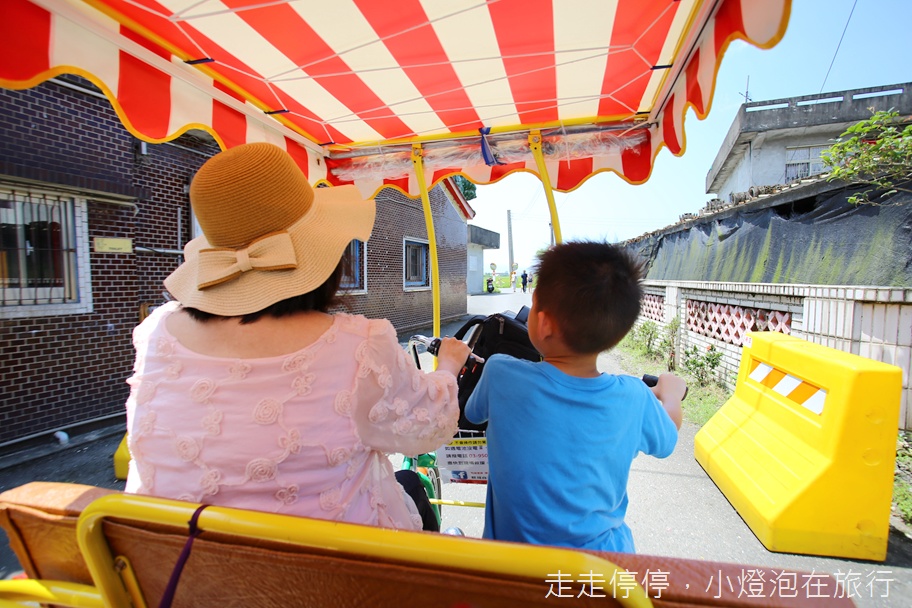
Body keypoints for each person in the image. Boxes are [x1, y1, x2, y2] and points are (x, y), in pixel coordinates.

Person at [124, 142, 471, 533]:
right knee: (409, 489)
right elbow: (430, 428)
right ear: (324, 253)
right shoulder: (360, 346)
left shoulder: (156, 333)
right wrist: (449, 365)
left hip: (179, 576)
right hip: (335, 581)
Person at [464, 241, 685, 553]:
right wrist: (670, 392)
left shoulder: (501, 374)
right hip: (599, 571)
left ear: (542, 322)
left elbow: (473, 414)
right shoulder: (634, 398)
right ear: (618, 334)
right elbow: (668, 438)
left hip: (511, 570)